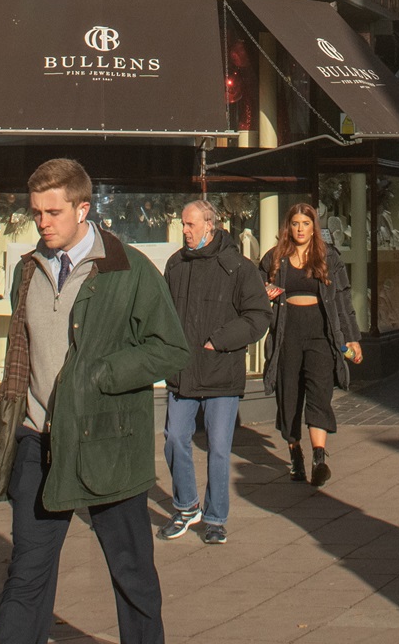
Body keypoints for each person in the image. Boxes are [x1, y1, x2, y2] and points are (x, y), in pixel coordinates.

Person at [0, 158, 188, 644]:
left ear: (83, 208)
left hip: (106, 441)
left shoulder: (129, 269)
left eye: (53, 212)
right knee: (26, 575)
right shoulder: (27, 271)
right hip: (38, 441)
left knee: (132, 573)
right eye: (36, 213)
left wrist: (101, 374)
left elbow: (171, 348)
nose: (43, 223)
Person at [160, 200, 270, 544]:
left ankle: (216, 518)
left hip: (221, 371)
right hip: (183, 372)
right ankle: (186, 507)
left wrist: (218, 341)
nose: (185, 230)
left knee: (219, 449)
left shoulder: (238, 266)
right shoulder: (176, 264)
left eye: (190, 224)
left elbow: (258, 317)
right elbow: (162, 314)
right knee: (175, 438)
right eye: (183, 224)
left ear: (210, 225)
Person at [262, 202, 361, 486]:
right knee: (289, 397)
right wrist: (264, 292)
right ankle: (295, 456)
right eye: (295, 224)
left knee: (320, 393)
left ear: (313, 227)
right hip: (287, 333)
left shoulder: (329, 257)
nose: (300, 229)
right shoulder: (275, 258)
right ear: (288, 227)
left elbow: (343, 299)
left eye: (306, 224)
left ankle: (319, 459)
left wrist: (352, 338)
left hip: (320, 333)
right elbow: (255, 288)